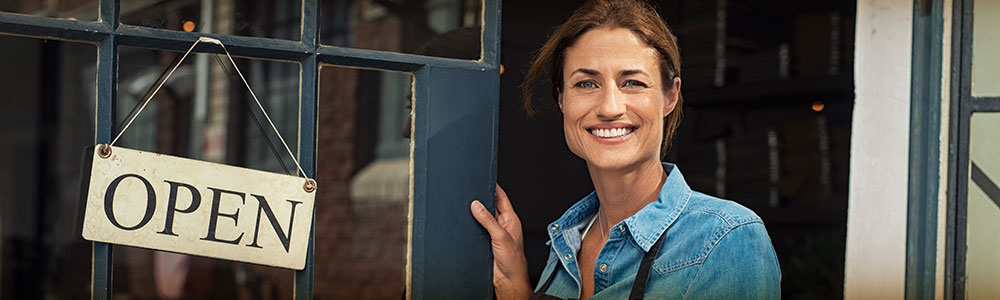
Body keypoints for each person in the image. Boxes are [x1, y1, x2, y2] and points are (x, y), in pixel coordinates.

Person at [469, 0, 781, 299]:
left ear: (670, 96)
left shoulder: (724, 240)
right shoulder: (565, 245)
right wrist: (515, 285)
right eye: (587, 84)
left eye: (632, 82)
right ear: (562, 98)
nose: (609, 107)